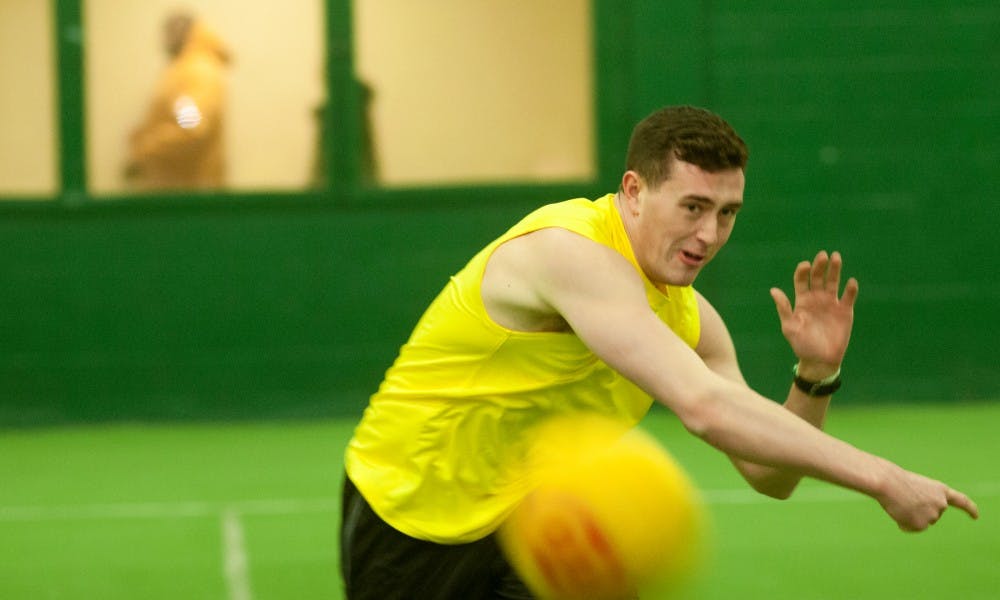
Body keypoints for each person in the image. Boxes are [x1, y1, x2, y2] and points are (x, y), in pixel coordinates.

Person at [340, 105, 979, 599]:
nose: (709, 234)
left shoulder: (690, 316)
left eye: (728, 213)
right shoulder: (569, 253)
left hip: (543, 521)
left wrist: (815, 374)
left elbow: (769, 475)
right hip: (412, 517)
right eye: (694, 206)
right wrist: (883, 478)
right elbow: (703, 406)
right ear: (634, 191)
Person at [124, 11, 231, 190]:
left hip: (188, 193)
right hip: (182, 188)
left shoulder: (194, 71)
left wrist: (145, 148)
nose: (163, 40)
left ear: (185, 32)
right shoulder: (186, 68)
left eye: (168, 32)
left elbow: (191, 127)